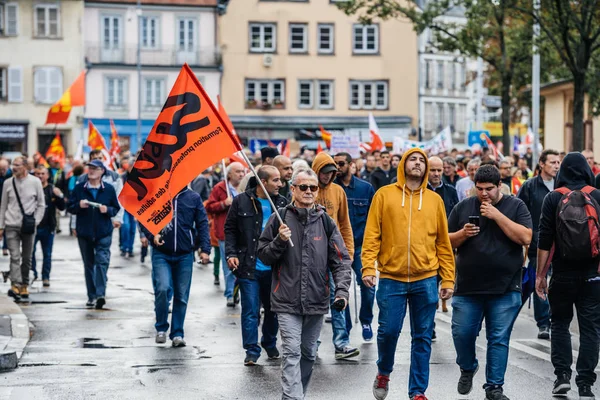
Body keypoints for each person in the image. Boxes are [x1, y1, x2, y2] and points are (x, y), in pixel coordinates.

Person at [362, 148, 455, 400]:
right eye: (412, 159)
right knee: (388, 331)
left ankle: (417, 391)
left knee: (422, 336)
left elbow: (443, 243)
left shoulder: (435, 200)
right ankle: (384, 372)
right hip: (392, 278)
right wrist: (368, 266)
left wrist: (448, 277)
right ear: (403, 164)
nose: (417, 163)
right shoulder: (384, 195)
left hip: (425, 278)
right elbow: (372, 235)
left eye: (421, 161)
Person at [257, 168, 352, 400]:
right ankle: (292, 397)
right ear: (293, 190)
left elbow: (340, 260)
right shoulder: (279, 218)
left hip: (317, 299)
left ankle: (295, 393)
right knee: (291, 352)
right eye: (303, 187)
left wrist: (341, 291)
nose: (308, 191)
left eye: (313, 187)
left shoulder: (326, 222)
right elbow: (263, 255)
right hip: (286, 299)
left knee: (309, 353)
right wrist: (280, 240)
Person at [448, 165, 532, 400]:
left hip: (505, 287)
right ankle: (467, 366)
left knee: (498, 338)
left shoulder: (515, 206)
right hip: (468, 287)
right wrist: (463, 234)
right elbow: (444, 242)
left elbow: (525, 237)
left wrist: (497, 215)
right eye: (479, 188)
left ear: (499, 186)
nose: (484, 194)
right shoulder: (463, 207)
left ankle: (494, 387)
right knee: (462, 333)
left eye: (489, 189)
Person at [535, 152, 600, 400]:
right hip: (593, 276)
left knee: (560, 324)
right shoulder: (597, 196)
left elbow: (544, 239)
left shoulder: (553, 198)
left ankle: (562, 377)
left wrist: (541, 275)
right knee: (591, 329)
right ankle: (585, 384)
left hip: (561, 274)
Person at [225, 166, 287, 365]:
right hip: (249, 266)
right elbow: (231, 229)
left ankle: (269, 342)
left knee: (273, 310)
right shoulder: (241, 201)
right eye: (276, 180)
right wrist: (231, 253)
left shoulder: (283, 203)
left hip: (275, 268)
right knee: (250, 310)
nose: (280, 184)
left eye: (280, 180)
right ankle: (251, 350)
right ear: (262, 182)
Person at [141, 186, 210, 348]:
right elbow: (143, 217)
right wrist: (152, 235)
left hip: (185, 254)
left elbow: (202, 224)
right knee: (163, 288)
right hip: (161, 253)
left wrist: (205, 249)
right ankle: (161, 328)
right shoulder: (157, 194)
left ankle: (177, 333)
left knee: (181, 295)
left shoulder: (193, 198)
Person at [311, 152, 357, 359]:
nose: (328, 176)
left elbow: (345, 223)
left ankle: (342, 343)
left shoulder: (338, 191)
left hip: (335, 252)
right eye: (324, 172)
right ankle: (313, 343)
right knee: (315, 301)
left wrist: (349, 251)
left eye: (331, 173)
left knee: (338, 298)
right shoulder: (307, 189)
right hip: (311, 253)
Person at [516, 149, 560, 339]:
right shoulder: (529, 186)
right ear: (541, 164)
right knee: (538, 282)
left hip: (561, 246)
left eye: (558, 162)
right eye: (552, 162)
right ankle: (543, 324)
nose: (556, 166)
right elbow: (519, 211)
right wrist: (528, 237)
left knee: (555, 284)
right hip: (537, 245)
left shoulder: (563, 185)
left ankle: (556, 320)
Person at [334, 152, 376, 341]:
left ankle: (366, 319)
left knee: (368, 285)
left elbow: (375, 219)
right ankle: (346, 327)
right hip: (336, 248)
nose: (337, 167)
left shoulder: (365, 188)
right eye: (334, 164)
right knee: (340, 291)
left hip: (360, 246)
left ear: (351, 165)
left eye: (341, 163)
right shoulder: (330, 189)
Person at [68, 160, 121, 309]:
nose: (91, 171)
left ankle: (100, 295)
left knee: (102, 262)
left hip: (103, 231)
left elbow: (115, 208)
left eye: (94, 169)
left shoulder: (109, 189)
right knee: (89, 265)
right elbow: (70, 207)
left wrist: (108, 210)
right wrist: (79, 205)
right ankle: (91, 296)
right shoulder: (79, 189)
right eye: (89, 168)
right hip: (85, 232)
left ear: (102, 172)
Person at [0, 156, 46, 299]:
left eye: (17, 165)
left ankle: (24, 285)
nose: (14, 167)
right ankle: (15, 284)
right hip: (11, 225)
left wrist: (36, 221)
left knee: (27, 258)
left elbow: (41, 204)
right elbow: (3, 206)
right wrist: (1, 226)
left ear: (25, 167)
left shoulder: (35, 182)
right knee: (15, 256)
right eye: (13, 165)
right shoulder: (8, 183)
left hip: (28, 227)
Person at [205, 161, 246, 307]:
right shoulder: (220, 188)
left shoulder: (246, 187)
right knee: (229, 264)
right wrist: (224, 203)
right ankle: (230, 294)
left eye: (243, 171)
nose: (241, 174)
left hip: (244, 233)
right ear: (229, 174)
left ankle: (240, 292)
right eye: (238, 172)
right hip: (225, 233)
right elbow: (209, 206)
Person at [31, 165, 66, 287]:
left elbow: (62, 207)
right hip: (33, 227)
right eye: (38, 174)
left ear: (47, 175)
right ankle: (33, 274)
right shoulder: (31, 189)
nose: (40, 176)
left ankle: (46, 277)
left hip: (48, 227)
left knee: (47, 254)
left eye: (42, 174)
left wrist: (59, 196)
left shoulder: (52, 189)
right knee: (30, 253)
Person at [119, 161, 137, 258]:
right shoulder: (122, 177)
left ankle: (130, 248)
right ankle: (124, 247)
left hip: (134, 207)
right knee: (126, 226)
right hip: (124, 206)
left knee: (132, 229)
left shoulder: (139, 177)